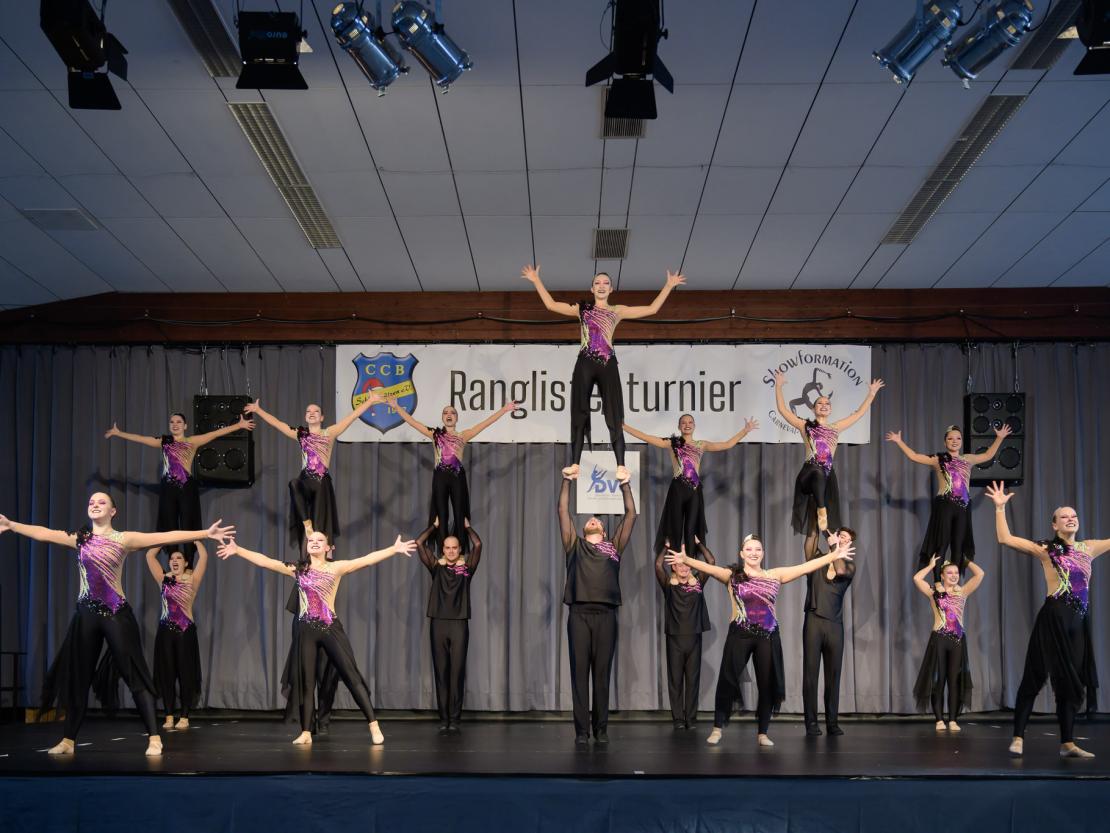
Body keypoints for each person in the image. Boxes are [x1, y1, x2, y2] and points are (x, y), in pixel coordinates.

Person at [0, 495, 232, 756]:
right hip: (85, 614)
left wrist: (205, 532)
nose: (95, 504)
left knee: (134, 675)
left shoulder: (124, 539)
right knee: (79, 679)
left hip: (115, 614)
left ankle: (155, 737)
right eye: (91, 501)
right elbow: (45, 533)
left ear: (113, 511)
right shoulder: (81, 538)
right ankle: (68, 740)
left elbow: (166, 535)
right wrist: (12, 525)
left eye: (101, 502)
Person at [217, 530, 415, 746]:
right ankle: (305, 732)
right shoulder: (299, 569)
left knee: (351, 676)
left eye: (319, 540)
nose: (314, 543)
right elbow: (267, 562)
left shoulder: (335, 568)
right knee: (307, 682)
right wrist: (238, 550)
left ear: (328, 547)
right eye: (311, 540)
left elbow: (366, 560)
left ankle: (374, 725)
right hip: (305, 632)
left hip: (330, 628)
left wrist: (393, 550)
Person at [667, 533, 854, 748]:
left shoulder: (775, 575)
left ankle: (762, 732)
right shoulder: (732, 575)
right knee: (727, 680)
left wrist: (834, 555)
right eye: (749, 549)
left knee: (766, 685)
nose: (754, 553)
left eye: (757, 549)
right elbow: (709, 568)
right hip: (740, 633)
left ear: (763, 553)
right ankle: (717, 728)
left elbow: (806, 566)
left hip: (768, 635)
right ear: (742, 554)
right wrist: (686, 560)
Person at [522, 263, 685, 481]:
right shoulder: (583, 310)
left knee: (614, 413)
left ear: (611, 289)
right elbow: (551, 305)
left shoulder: (616, 310)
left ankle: (620, 465)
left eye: (605, 283)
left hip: (608, 363)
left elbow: (651, 309)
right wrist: (536, 281)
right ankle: (575, 464)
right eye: (597, 283)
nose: (601, 286)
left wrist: (668, 285)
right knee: (579, 412)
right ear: (591, 289)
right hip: (585, 362)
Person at [986, 481, 1108, 759]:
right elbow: (1006, 539)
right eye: (1065, 516)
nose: (1071, 519)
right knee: (1034, 677)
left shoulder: (1089, 548)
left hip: (1078, 624)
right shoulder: (1046, 549)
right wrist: (1000, 508)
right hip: (1052, 620)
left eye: (1074, 515)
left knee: (1071, 683)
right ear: (1054, 525)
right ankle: (1018, 736)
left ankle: (1067, 743)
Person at [105, 411, 252, 578]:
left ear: (185, 426)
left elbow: (215, 433)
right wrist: (119, 433)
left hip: (186, 487)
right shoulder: (165, 442)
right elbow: (141, 439)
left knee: (189, 523)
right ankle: (173, 561)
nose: (175, 424)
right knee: (169, 524)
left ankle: (188, 563)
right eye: (172, 422)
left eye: (179, 422)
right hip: (168, 488)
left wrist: (238, 426)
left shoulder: (192, 441)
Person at [557, 468, 636, 746]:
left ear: (602, 530)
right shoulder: (573, 545)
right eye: (589, 519)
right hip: (578, 615)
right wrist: (567, 480)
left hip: (606, 616)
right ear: (583, 530)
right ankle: (581, 732)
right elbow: (563, 510)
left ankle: (601, 730)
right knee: (580, 675)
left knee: (601, 676)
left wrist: (625, 484)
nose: (592, 519)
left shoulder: (613, 546)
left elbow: (630, 516)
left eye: (597, 520)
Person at [244, 395, 383, 546]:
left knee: (320, 527)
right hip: (305, 480)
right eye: (308, 411)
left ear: (321, 417)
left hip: (321, 482)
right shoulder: (301, 434)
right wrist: (258, 410)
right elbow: (278, 424)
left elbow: (352, 416)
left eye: (316, 411)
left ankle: (322, 549)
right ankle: (306, 524)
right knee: (293, 484)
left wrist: (369, 401)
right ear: (305, 416)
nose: (311, 413)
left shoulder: (329, 432)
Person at [774, 370, 883, 559]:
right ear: (813, 408)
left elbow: (859, 414)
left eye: (827, 403)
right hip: (809, 474)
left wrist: (872, 393)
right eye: (819, 403)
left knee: (814, 531)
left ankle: (812, 571)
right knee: (817, 471)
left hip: (826, 478)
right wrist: (778, 386)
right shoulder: (805, 425)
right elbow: (783, 411)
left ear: (830, 409)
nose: (824, 405)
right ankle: (822, 509)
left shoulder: (836, 427)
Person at [388, 398, 515, 552]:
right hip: (440, 477)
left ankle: (459, 551)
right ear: (442, 417)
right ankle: (443, 552)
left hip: (457, 478)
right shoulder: (434, 434)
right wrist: (396, 407)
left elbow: (485, 423)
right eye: (445, 412)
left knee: (459, 513)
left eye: (452, 413)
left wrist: (504, 409)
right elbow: (413, 422)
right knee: (441, 515)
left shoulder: (463, 435)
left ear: (457, 418)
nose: (449, 414)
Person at [624, 413, 758, 559]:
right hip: (677, 489)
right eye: (683, 422)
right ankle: (675, 568)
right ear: (679, 426)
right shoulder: (672, 443)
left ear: (694, 425)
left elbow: (727, 445)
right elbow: (646, 437)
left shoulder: (702, 445)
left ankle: (689, 565)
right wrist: (624, 426)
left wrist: (745, 431)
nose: (687, 425)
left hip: (694, 491)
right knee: (675, 528)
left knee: (691, 530)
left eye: (690, 422)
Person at [886, 423, 1012, 576]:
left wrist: (999, 438)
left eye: (958, 438)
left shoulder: (968, 459)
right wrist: (899, 441)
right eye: (950, 438)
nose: (954, 441)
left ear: (961, 441)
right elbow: (914, 456)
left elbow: (987, 456)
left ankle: (954, 583)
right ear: (945, 442)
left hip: (963, 506)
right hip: (945, 504)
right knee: (942, 543)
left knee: (958, 545)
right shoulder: (938, 459)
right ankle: (938, 581)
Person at [416, 518, 482, 734]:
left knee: (456, 673)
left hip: (459, 625)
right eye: (447, 547)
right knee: (441, 672)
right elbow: (419, 543)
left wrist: (467, 528)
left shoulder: (466, 570)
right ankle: (443, 717)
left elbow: (478, 545)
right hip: (438, 625)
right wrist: (434, 527)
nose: (451, 551)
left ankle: (455, 718)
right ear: (442, 549)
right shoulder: (436, 567)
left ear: (459, 549)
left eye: (455, 547)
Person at [912, 555, 984, 732]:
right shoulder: (934, 592)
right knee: (939, 680)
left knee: (954, 680)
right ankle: (939, 720)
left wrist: (966, 561)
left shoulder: (963, 592)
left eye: (956, 572)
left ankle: (952, 719)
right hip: (939, 639)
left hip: (957, 641)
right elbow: (916, 578)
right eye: (949, 573)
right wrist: (930, 566)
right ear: (942, 576)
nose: (953, 575)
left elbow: (980, 573)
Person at [801, 528, 857, 737]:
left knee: (833, 676)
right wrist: (818, 527)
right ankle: (811, 723)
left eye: (847, 539)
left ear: (850, 545)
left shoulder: (849, 565)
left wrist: (834, 545)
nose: (842, 539)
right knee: (810, 675)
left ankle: (832, 723)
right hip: (814, 622)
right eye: (840, 535)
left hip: (835, 625)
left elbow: (840, 569)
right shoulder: (818, 559)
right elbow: (809, 544)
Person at [654, 540, 715, 730]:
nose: (683, 567)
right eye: (679, 564)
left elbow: (711, 562)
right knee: (675, 680)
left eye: (686, 564)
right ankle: (678, 719)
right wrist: (666, 546)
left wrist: (697, 545)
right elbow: (658, 564)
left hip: (694, 638)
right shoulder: (668, 585)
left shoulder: (697, 584)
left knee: (692, 680)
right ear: (673, 566)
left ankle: (691, 718)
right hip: (675, 639)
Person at [146, 546, 208, 731]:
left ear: (186, 562)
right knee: (167, 675)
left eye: (179, 558)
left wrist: (194, 536)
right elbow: (150, 555)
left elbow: (203, 555)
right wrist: (168, 537)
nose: (174, 560)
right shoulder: (163, 579)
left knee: (185, 675)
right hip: (165, 632)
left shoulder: (192, 580)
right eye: (172, 558)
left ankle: (185, 716)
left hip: (185, 632)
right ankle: (169, 715)